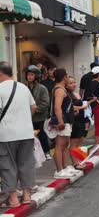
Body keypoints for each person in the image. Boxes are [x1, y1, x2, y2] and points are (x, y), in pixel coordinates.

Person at [0, 61, 37, 208]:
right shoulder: (23, 87)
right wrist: (24, 120)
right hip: (26, 133)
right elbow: (34, 107)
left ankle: (14, 199)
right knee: (26, 163)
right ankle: (27, 196)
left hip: (6, 134)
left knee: (7, 165)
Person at [51, 69, 81, 179]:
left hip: (67, 119)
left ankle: (63, 167)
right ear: (64, 78)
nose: (68, 78)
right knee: (60, 145)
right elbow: (57, 107)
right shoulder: (59, 90)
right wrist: (60, 121)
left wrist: (73, 109)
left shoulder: (62, 89)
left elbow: (64, 106)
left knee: (64, 145)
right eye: (67, 76)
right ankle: (59, 170)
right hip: (62, 120)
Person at [67, 77, 96, 168]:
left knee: (80, 140)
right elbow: (71, 108)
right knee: (74, 142)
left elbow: (82, 104)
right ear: (66, 85)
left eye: (74, 82)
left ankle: (79, 160)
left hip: (81, 119)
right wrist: (82, 108)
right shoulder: (67, 95)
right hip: (74, 120)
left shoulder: (76, 93)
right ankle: (75, 163)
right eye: (71, 83)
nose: (73, 84)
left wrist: (89, 102)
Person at [24, 65, 51, 160]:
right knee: (28, 136)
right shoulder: (24, 87)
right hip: (26, 117)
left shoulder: (42, 88)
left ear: (36, 76)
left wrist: (34, 110)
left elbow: (45, 103)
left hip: (39, 117)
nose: (29, 77)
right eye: (28, 75)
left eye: (32, 75)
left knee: (41, 134)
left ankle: (47, 152)